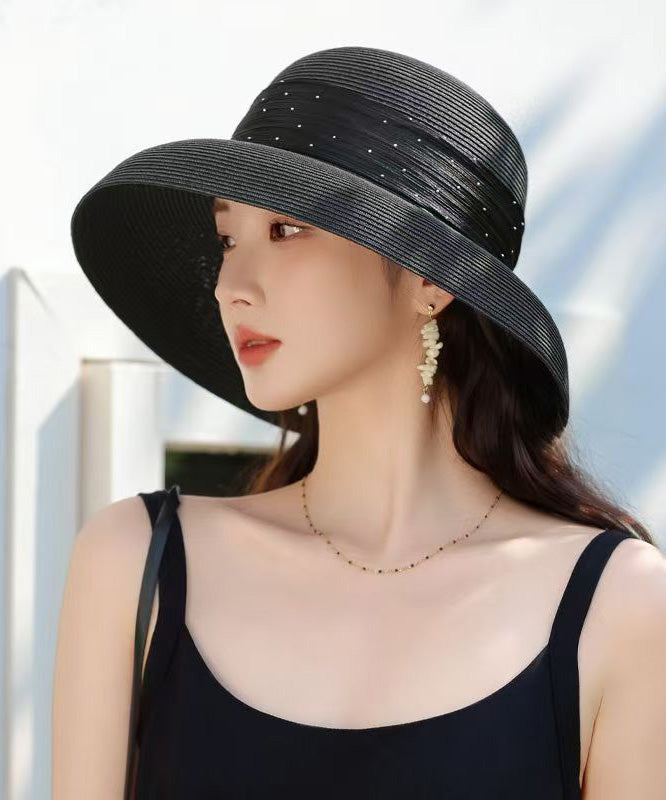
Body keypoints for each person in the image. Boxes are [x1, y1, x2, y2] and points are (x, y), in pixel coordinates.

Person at [53, 46, 666, 798]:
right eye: (227, 239)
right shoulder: (134, 561)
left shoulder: (618, 604)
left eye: (285, 230)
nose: (231, 286)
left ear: (430, 280)